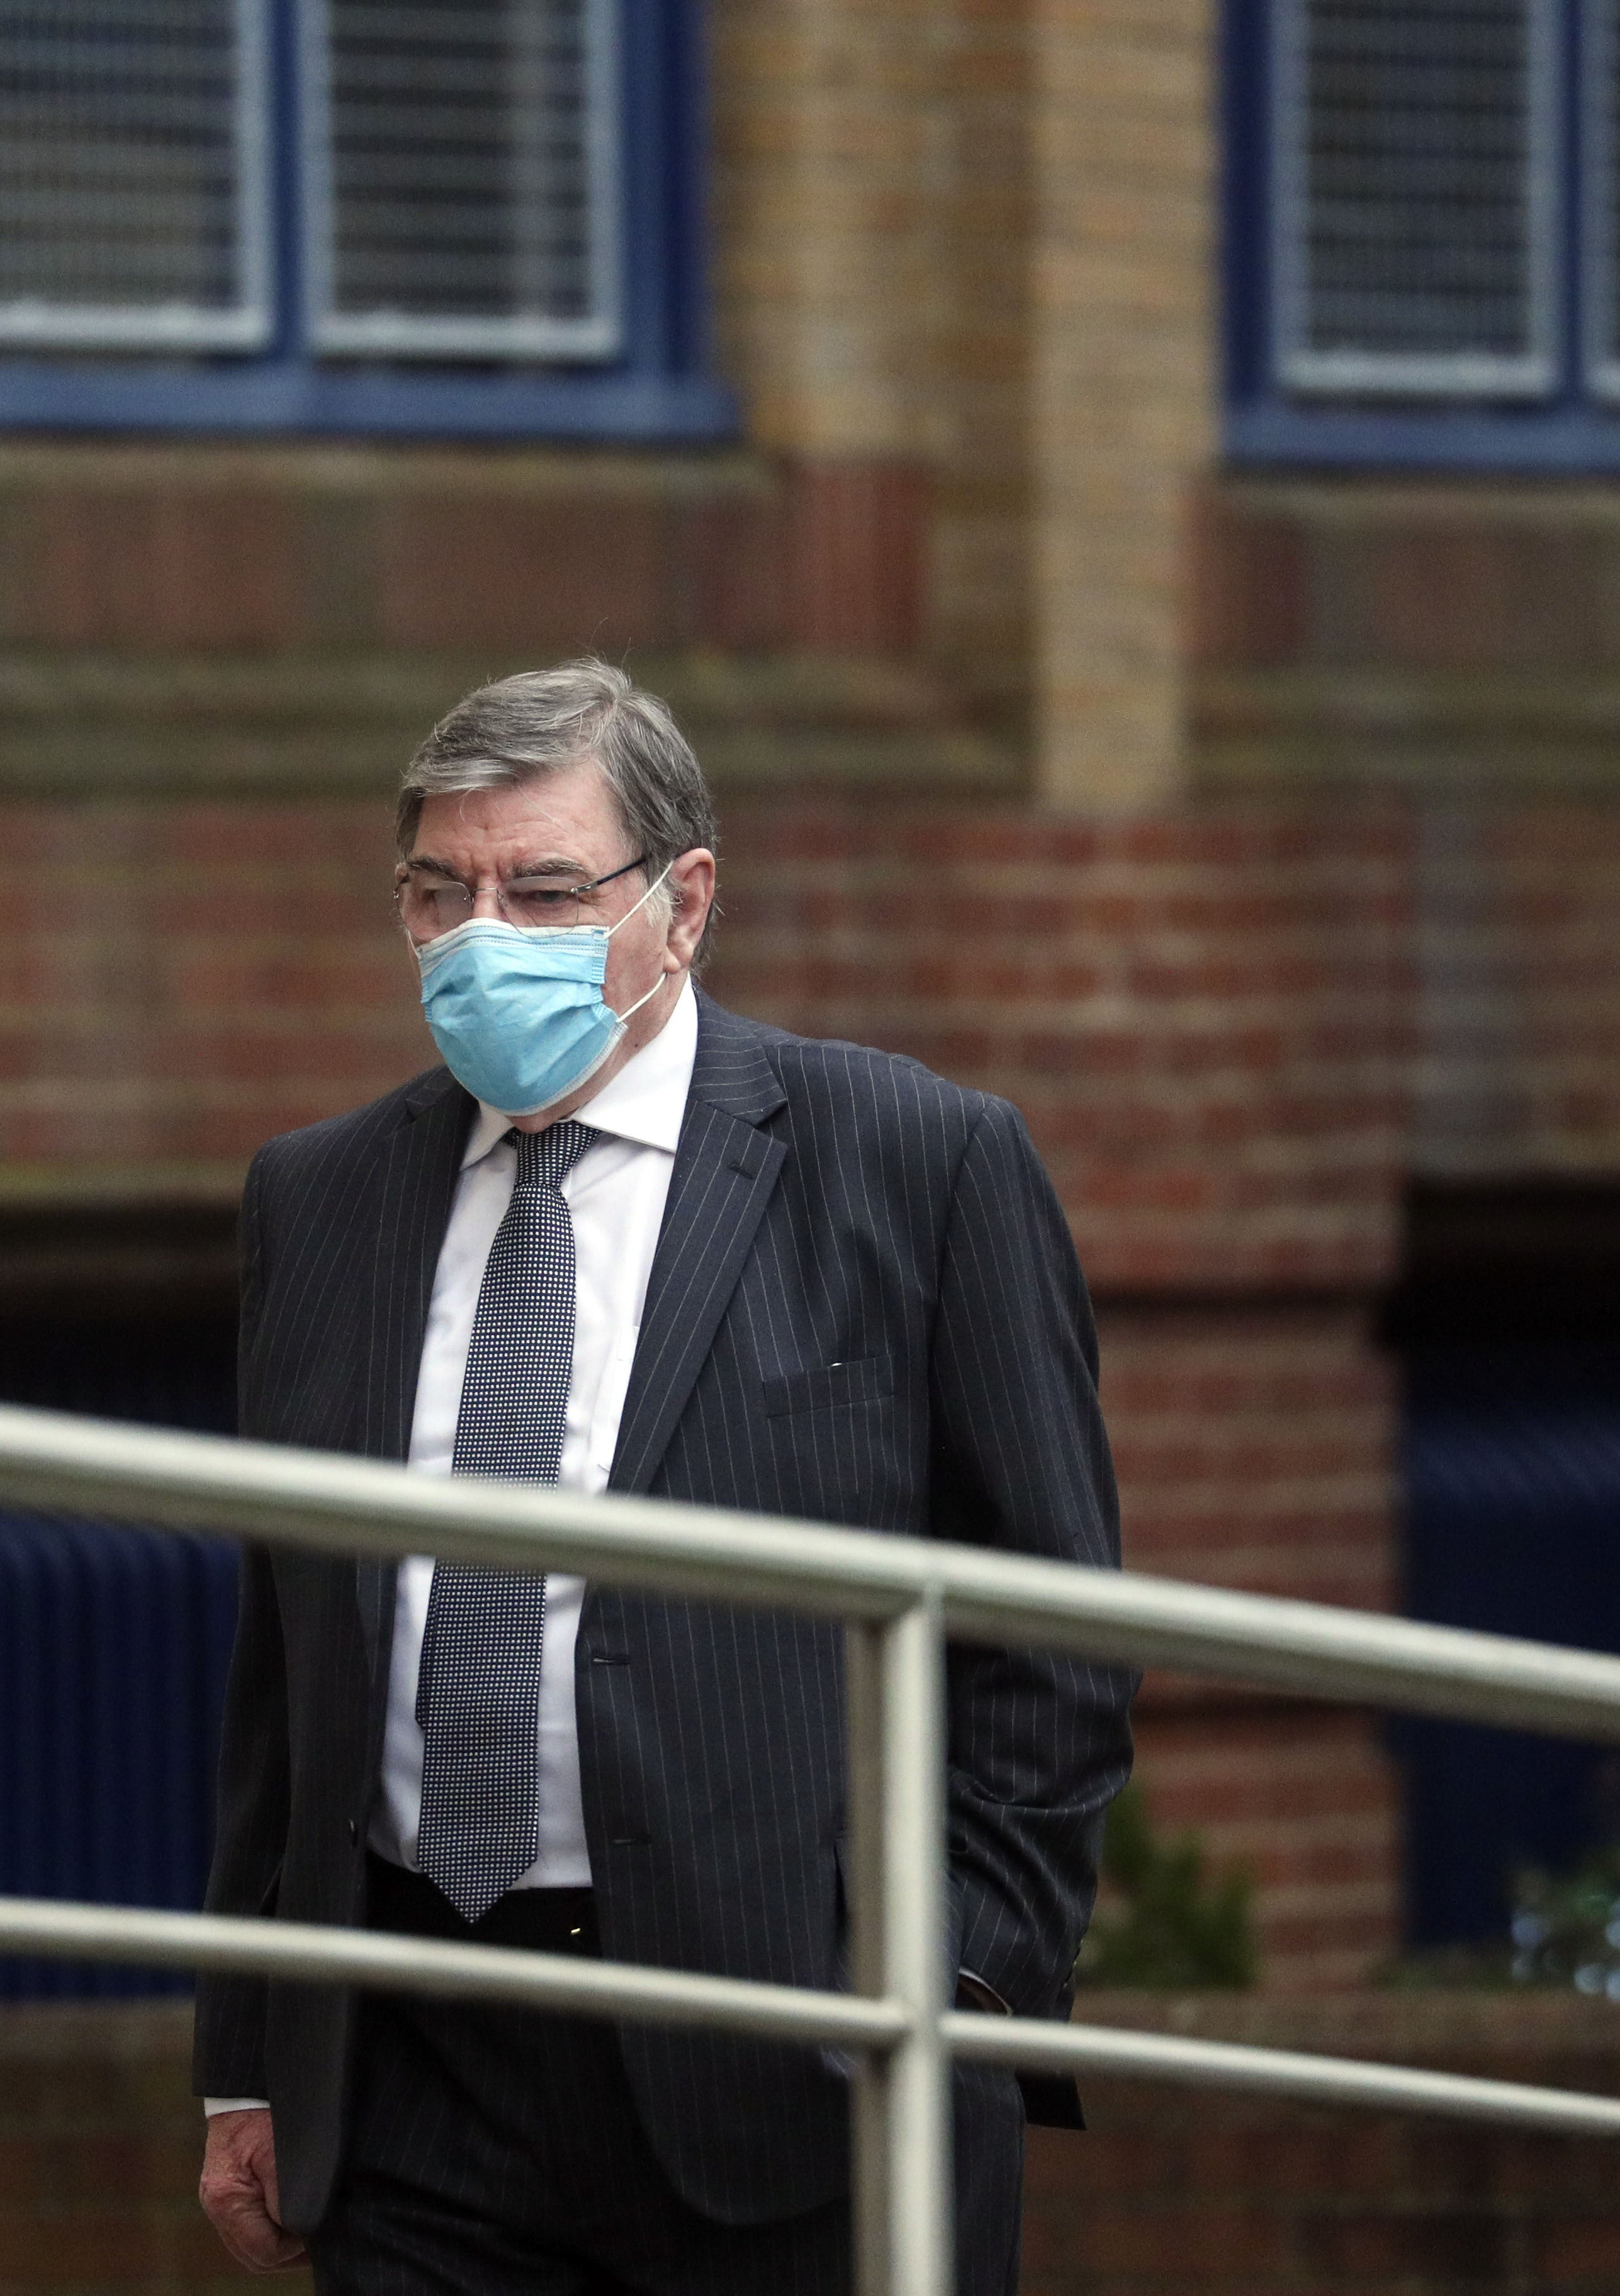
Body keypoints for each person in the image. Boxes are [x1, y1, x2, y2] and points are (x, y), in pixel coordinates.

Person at [193, 658, 1136, 2294]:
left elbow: (1051, 1645)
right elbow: (288, 1666)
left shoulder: (916, 1164)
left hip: (791, 2073)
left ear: (683, 903)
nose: (482, 937)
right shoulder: (320, 1198)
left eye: (545, 889)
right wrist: (251, 2055)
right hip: (420, 2071)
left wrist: (956, 2007)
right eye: (440, 891)